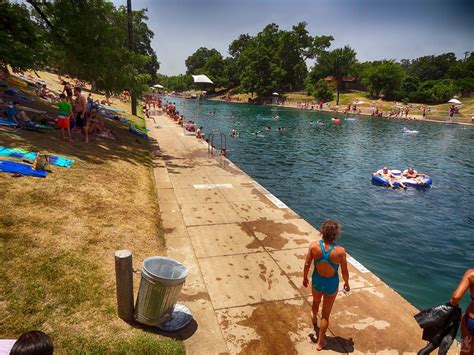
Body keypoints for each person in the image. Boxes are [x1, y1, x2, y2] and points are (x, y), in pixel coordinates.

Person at [303, 220, 349, 351]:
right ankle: (320, 343)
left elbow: (307, 264)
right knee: (325, 315)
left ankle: (313, 318)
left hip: (317, 280)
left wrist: (305, 277)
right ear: (336, 234)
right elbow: (344, 271)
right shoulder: (340, 251)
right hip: (331, 284)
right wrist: (346, 282)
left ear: (322, 232)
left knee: (316, 301)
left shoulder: (314, 246)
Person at [450, 269, 474, 354]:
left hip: (471, 321)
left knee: (466, 351)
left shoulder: (471, 274)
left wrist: (453, 305)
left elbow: (456, 297)